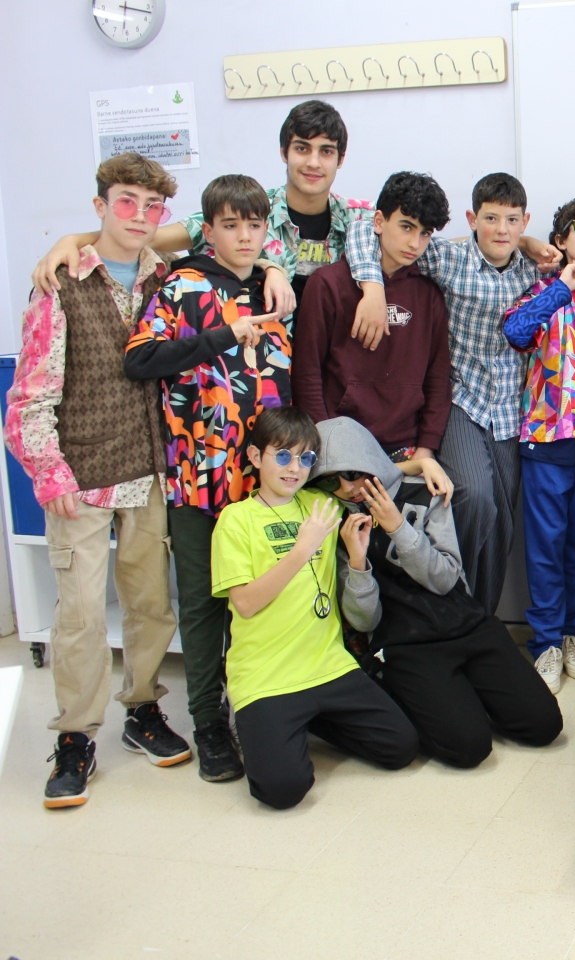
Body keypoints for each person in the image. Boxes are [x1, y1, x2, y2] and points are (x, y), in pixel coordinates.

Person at [346, 173, 575, 613]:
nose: (502, 230)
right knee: (475, 498)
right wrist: (372, 288)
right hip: (464, 399)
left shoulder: (536, 269)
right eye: (491, 219)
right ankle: (454, 600)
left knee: (502, 520)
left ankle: (481, 617)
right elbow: (365, 228)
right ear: (472, 219)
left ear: (525, 222)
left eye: (512, 221)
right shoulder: (451, 258)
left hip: (515, 412)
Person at [5, 153, 188, 808]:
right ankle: (75, 735)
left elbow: (225, 228)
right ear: (100, 206)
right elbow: (28, 399)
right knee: (81, 614)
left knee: (150, 604)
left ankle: (142, 707)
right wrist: (51, 477)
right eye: (126, 201)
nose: (139, 216)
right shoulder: (59, 285)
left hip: (151, 471)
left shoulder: (168, 279)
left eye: (152, 205)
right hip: (80, 476)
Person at [122, 173, 292, 783]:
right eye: (230, 225)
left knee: (263, 599)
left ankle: (257, 705)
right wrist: (221, 336)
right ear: (209, 229)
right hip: (199, 479)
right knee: (202, 606)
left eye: (254, 225)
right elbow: (140, 359)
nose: (244, 236)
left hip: (263, 484)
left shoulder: (275, 289)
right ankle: (207, 722)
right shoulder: (182, 285)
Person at [309, 417, 562, 767]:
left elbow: (445, 579)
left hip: (467, 623)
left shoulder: (425, 490)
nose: (347, 488)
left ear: (369, 459)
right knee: (468, 748)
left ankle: (461, 692)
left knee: (544, 726)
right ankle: (411, 692)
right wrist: (357, 562)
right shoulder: (335, 523)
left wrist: (398, 529)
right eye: (330, 481)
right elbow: (364, 621)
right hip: (407, 643)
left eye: (352, 473)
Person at [211, 406, 418, 809]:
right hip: (266, 676)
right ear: (255, 457)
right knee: (283, 791)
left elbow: (370, 478)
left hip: (327, 665)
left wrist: (424, 464)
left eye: (305, 458)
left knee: (400, 747)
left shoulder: (320, 503)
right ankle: (260, 723)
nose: (294, 468)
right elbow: (246, 603)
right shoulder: (235, 520)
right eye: (282, 455)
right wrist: (302, 549)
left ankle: (309, 719)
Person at [32, 100, 369, 318]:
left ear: (340, 158)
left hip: (331, 372)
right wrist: (72, 240)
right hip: (261, 366)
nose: (313, 162)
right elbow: (142, 234)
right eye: (302, 148)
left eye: (326, 151)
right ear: (284, 152)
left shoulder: (359, 218)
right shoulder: (247, 211)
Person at [502, 196, 575, 693]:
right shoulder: (543, 290)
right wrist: (561, 287)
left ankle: (573, 635)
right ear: (560, 240)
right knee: (545, 550)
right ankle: (547, 644)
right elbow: (516, 331)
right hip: (545, 443)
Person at [292, 171, 452, 462]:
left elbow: (438, 378)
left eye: (425, 233)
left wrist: (427, 448)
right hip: (339, 444)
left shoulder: (429, 294)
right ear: (378, 222)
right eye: (406, 227)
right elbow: (307, 372)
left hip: (407, 447)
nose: (414, 243)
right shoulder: (327, 284)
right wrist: (325, 443)